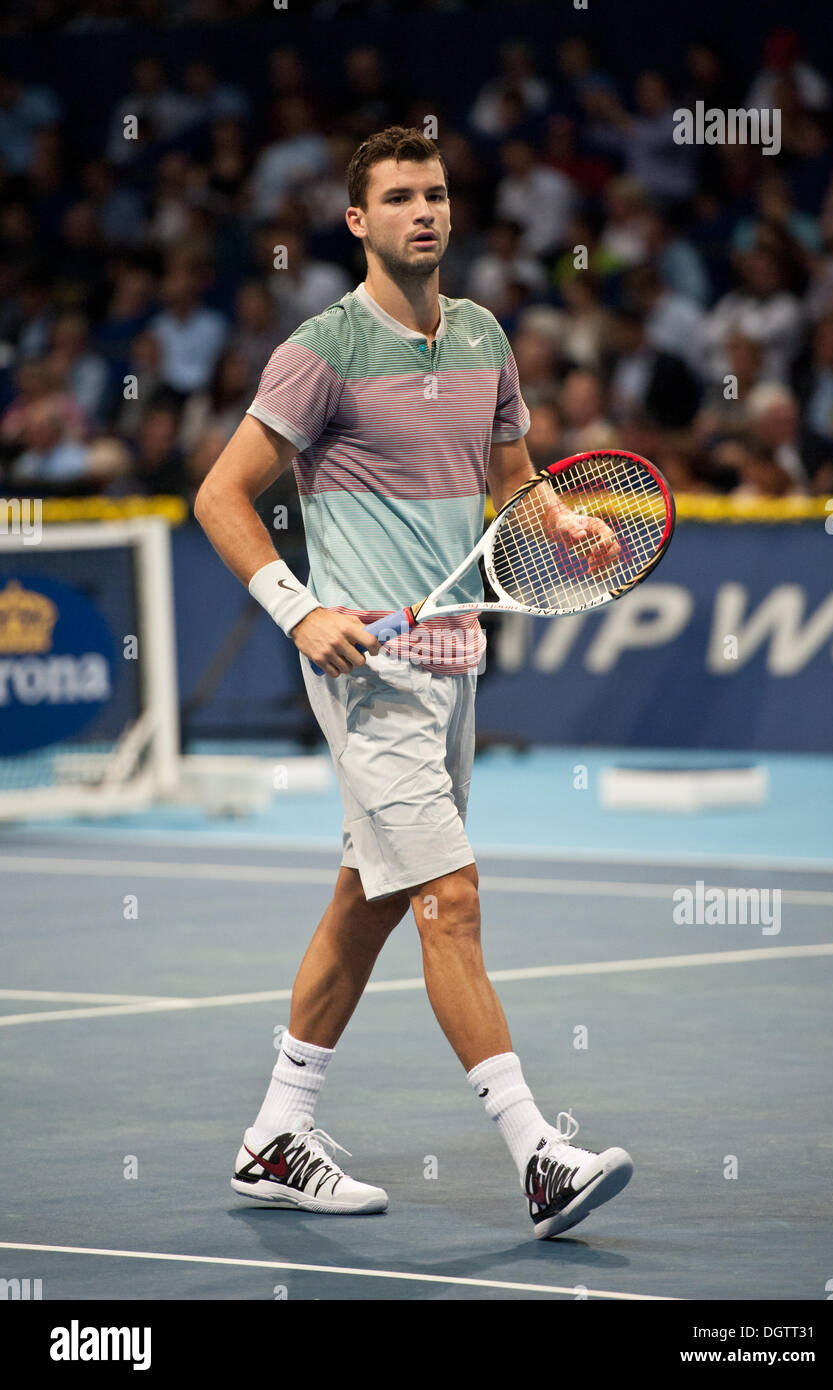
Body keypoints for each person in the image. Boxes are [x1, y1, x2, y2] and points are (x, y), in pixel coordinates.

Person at [194, 125, 632, 1241]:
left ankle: (274, 1135)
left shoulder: (484, 334)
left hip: (454, 662)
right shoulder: (322, 348)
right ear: (358, 222)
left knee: (374, 897)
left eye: (435, 194)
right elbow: (220, 496)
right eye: (398, 199)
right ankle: (536, 1151)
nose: (423, 212)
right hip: (367, 671)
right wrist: (302, 609)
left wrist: (562, 523)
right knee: (452, 898)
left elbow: (514, 480)